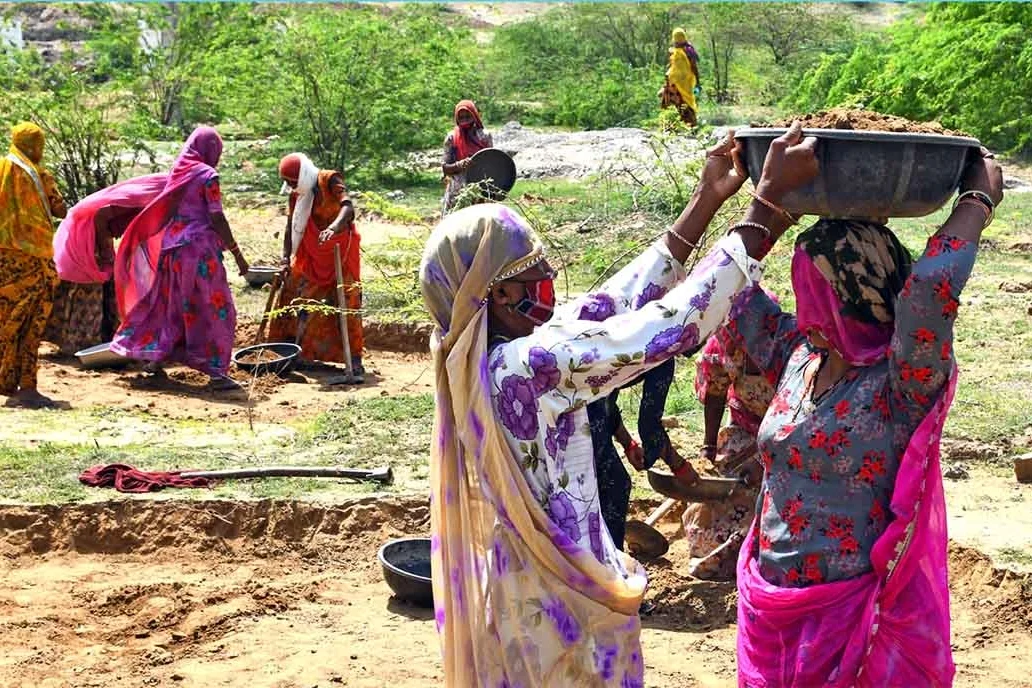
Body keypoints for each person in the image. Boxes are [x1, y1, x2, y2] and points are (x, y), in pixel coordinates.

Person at [418, 125, 819, 685]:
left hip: (526, 588)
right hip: (557, 610)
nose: (548, 275)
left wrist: (707, 198)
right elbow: (666, 328)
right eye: (533, 267)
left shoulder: (482, 354)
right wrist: (764, 207)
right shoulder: (525, 368)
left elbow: (614, 301)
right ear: (499, 293)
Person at [727, 137, 1003, 685]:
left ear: (848, 291)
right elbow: (729, 291)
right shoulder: (798, 355)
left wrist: (975, 201)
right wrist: (769, 201)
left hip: (858, 619)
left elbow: (929, 292)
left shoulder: (902, 381)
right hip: (770, 609)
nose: (800, 300)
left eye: (810, 287)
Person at [111, 126, 249, 389]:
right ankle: (216, 373)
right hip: (199, 254)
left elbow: (166, 212)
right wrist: (238, 254)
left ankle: (154, 360)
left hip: (172, 252)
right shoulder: (208, 175)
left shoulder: (179, 172)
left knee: (170, 307)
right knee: (215, 310)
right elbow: (217, 216)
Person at [682, 306, 777, 580]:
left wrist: (763, 460)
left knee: (763, 496)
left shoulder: (785, 350)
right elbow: (715, 395)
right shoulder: (723, 346)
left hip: (787, 437)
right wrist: (709, 449)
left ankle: (755, 553)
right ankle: (712, 551)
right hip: (744, 429)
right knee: (721, 489)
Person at [45, 173, 167, 356]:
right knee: (88, 285)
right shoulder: (143, 198)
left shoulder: (158, 203)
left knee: (108, 284)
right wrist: (103, 248)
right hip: (88, 237)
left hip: (101, 236)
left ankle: (104, 338)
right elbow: (101, 216)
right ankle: (80, 342)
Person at [268, 152, 364, 382]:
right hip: (311, 254)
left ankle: (354, 360)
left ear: (302, 175)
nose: (290, 186)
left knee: (347, 302)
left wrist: (333, 228)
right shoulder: (297, 196)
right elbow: (291, 226)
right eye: (287, 182)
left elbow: (348, 207)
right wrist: (284, 259)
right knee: (295, 296)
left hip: (340, 252)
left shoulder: (329, 180)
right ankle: (294, 353)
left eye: (292, 181)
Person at [587, 358, 699, 550]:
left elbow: (606, 398)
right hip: (576, 415)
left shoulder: (614, 349)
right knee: (613, 486)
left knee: (610, 484)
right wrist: (679, 466)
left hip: (577, 404)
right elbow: (650, 424)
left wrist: (628, 444)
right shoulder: (662, 357)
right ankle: (606, 558)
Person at [0, 122, 67, 408]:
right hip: (34, 261)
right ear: (37, 147)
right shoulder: (40, 175)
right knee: (31, 325)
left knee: (6, 321)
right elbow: (60, 209)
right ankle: (27, 387)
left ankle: (4, 381)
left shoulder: (2, 169)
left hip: (4, 259)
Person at [441, 99, 492, 214]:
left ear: (474, 115)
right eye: (461, 117)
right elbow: (445, 168)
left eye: (468, 116)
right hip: (457, 193)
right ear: (457, 119)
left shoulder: (484, 136)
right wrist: (460, 165)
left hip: (480, 192)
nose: (464, 120)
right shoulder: (452, 137)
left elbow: (491, 162)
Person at [660, 28, 702, 126]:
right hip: (678, 82)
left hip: (682, 83)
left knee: (682, 102)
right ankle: (673, 124)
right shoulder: (677, 51)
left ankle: (686, 125)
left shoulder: (687, 50)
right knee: (677, 102)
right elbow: (673, 66)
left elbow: (693, 66)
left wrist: (698, 82)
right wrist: (698, 81)